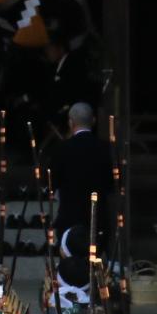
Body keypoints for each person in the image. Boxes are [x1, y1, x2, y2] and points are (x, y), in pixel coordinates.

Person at [48, 103, 112, 240]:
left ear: (70, 123)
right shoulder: (106, 148)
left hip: (69, 218)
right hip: (98, 219)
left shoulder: (61, 149)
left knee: (70, 259)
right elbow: (111, 185)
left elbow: (52, 183)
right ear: (93, 121)